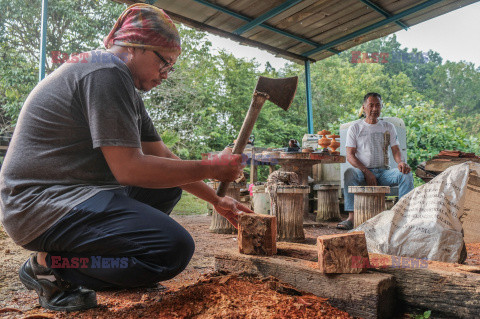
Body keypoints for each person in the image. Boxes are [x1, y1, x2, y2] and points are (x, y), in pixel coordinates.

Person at [0, 4, 252, 312]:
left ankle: (119, 269)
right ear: (135, 46)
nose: (166, 75)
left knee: (170, 183)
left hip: (75, 195)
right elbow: (129, 169)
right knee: (171, 251)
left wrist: (215, 200)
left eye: (170, 68)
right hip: (40, 205)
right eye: (165, 63)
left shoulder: (122, 84)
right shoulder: (106, 71)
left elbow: (162, 155)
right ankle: (50, 267)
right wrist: (213, 166)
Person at [337, 92, 414, 230]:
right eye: (371, 105)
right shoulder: (355, 128)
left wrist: (400, 163)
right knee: (349, 173)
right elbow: (350, 156)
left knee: (406, 174)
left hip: (384, 173)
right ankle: (351, 218)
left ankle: (401, 217)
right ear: (364, 107)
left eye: (378, 105)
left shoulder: (388, 127)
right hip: (362, 172)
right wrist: (366, 172)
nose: (374, 109)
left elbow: (396, 150)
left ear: (381, 107)